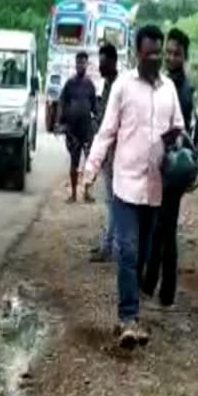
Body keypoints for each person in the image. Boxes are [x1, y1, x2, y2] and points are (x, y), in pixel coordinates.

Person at [83, 25, 185, 349]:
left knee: (140, 254)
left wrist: (175, 142)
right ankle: (128, 318)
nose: (155, 58)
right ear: (137, 54)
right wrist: (90, 171)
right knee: (126, 250)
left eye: (158, 52)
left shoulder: (168, 89)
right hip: (126, 185)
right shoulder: (123, 87)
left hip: (155, 188)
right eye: (149, 53)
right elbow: (106, 131)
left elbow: (179, 127)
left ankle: (131, 314)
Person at [141, 28, 195, 308]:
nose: (171, 57)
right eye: (169, 52)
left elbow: (174, 130)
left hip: (171, 169)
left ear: (185, 56)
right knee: (161, 228)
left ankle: (163, 292)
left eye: (176, 53)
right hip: (166, 167)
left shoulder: (181, 89)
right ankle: (153, 287)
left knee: (165, 229)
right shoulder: (169, 83)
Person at [90, 44, 119, 263]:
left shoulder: (117, 87)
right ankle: (108, 244)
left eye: (103, 63)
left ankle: (110, 247)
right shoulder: (108, 86)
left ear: (112, 62)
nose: (100, 67)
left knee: (114, 201)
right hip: (108, 153)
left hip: (116, 154)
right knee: (111, 200)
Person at [59, 51, 98, 203]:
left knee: (89, 163)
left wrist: (97, 123)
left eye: (83, 62)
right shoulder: (70, 84)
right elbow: (62, 103)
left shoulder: (90, 85)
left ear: (87, 65)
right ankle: (74, 194)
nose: (80, 65)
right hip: (72, 130)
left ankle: (87, 193)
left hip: (86, 130)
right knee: (74, 162)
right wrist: (60, 122)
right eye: (78, 62)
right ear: (75, 64)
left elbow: (95, 107)